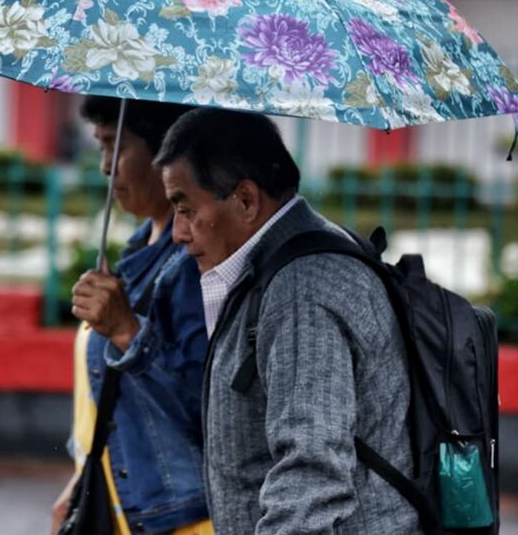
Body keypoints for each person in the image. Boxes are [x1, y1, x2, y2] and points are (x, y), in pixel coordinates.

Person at [154, 108, 420, 535]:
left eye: (185, 208)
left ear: (245, 200)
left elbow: (310, 474)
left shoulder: (301, 291)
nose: (178, 233)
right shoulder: (287, 262)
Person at [51, 97, 212, 535]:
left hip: (179, 520)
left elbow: (206, 408)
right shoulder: (140, 251)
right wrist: (83, 478)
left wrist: (127, 331)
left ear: (166, 155)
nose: (106, 167)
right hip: (121, 507)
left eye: (116, 148)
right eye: (100, 147)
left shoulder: (191, 267)